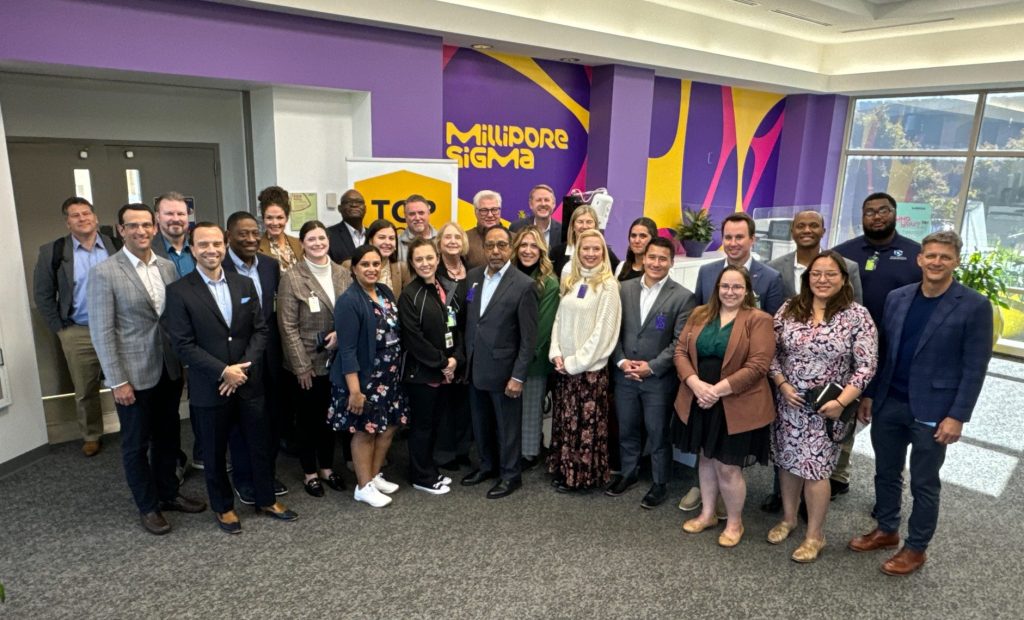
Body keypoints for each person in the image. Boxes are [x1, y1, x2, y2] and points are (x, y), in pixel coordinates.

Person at [849, 231, 992, 576]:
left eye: (944, 257)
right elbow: (884, 352)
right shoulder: (898, 298)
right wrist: (870, 393)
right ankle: (886, 529)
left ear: (956, 261)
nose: (936, 262)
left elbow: (975, 367)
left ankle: (916, 548)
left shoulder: (974, 305)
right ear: (919, 259)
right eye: (931, 256)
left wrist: (957, 416)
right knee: (885, 471)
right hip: (890, 402)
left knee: (924, 482)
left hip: (934, 409)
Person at [162, 222, 297, 534]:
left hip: (248, 382)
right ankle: (223, 507)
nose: (211, 250)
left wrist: (241, 370)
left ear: (224, 246)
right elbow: (182, 344)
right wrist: (223, 371)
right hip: (211, 387)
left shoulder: (243, 285)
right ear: (192, 249)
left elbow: (260, 330)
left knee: (259, 444)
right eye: (203, 245)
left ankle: (265, 499)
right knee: (213, 450)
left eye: (216, 244)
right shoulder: (179, 292)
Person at [88, 203, 206, 535]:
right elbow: (102, 332)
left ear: (155, 228)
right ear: (120, 229)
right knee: (136, 443)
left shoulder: (168, 267)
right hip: (132, 375)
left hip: (167, 370)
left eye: (146, 225)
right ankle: (148, 505)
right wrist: (117, 380)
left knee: (168, 438)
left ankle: (168, 493)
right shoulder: (105, 272)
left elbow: (172, 321)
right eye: (132, 226)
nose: (141, 231)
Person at [768, 251, 877, 562]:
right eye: (816, 274)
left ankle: (815, 534)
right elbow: (770, 351)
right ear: (807, 278)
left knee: (816, 470)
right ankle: (788, 519)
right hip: (788, 402)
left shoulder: (856, 316)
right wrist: (781, 383)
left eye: (830, 274)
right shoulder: (790, 309)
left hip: (828, 409)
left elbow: (866, 365)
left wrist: (842, 402)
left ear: (843, 279)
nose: (823, 279)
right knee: (788, 463)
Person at [761, 209, 862, 512]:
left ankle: (812, 510)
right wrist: (779, 380)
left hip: (831, 392)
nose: (806, 230)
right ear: (792, 231)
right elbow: (772, 335)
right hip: (789, 387)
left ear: (823, 230)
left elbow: (860, 345)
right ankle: (783, 500)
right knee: (785, 446)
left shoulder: (850, 273)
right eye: (800, 226)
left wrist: (846, 398)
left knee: (821, 460)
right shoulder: (774, 269)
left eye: (813, 225)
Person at [682, 211, 784, 511]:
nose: (734, 243)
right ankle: (706, 498)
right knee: (705, 450)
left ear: (752, 239)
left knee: (730, 459)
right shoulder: (707, 272)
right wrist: (697, 383)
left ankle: (732, 504)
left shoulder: (771, 278)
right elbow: (696, 326)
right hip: (702, 386)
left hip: (740, 387)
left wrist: (727, 386)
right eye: (728, 237)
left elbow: (773, 335)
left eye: (740, 237)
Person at [673, 265, 775, 548]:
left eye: (737, 287)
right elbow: (681, 351)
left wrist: (715, 391)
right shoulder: (700, 314)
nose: (730, 292)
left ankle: (734, 522)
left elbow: (758, 366)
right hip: (699, 397)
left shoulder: (759, 320)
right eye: (725, 287)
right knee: (705, 458)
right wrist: (696, 384)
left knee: (729, 467)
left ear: (747, 291)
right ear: (717, 289)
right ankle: (707, 514)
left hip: (735, 403)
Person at [832, 192, 922, 499]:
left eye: (883, 210)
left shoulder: (916, 255)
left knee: (887, 427)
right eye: (870, 211)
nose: (877, 216)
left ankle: (888, 497)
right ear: (862, 216)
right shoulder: (842, 254)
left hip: (896, 352)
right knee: (847, 410)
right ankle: (838, 474)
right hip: (850, 350)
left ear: (895, 214)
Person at [608, 237, 695, 508]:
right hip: (625, 375)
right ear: (643, 258)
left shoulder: (683, 297)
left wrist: (652, 367)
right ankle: (628, 472)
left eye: (662, 259)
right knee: (627, 428)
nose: (656, 263)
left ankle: (660, 482)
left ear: (671, 262)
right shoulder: (621, 289)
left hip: (657, 379)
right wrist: (621, 362)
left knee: (657, 433)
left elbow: (679, 342)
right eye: (652, 257)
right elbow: (612, 331)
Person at [329, 245, 410, 508]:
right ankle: (363, 486)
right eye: (365, 264)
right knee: (365, 431)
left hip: (389, 376)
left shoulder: (385, 292)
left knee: (387, 427)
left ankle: (374, 477)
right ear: (354, 269)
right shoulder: (349, 301)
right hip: (365, 380)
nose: (372, 269)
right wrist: (355, 391)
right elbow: (348, 350)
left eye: (377, 264)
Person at [33, 196, 115, 456]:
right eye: (75, 215)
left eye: (86, 213)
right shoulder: (53, 251)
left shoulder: (117, 245)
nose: (82, 218)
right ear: (67, 222)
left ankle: (136, 427)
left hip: (118, 327)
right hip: (78, 330)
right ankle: (91, 435)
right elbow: (43, 294)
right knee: (85, 388)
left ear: (96, 217)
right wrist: (61, 329)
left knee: (127, 379)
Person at [461, 226, 538, 499]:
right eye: (491, 245)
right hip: (475, 367)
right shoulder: (472, 279)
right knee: (480, 423)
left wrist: (518, 376)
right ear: (483, 249)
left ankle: (510, 475)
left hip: (505, 371)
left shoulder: (524, 285)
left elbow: (529, 339)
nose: (495, 251)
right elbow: (470, 321)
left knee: (507, 427)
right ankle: (487, 466)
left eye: (502, 245)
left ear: (510, 248)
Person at [276, 220, 351, 498]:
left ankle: (327, 468)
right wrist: (301, 365)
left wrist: (341, 334)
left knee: (330, 418)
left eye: (322, 238)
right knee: (308, 420)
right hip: (307, 362)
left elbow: (352, 311)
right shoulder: (293, 277)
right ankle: (310, 472)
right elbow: (287, 326)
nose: (318, 243)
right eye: (311, 239)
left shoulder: (343, 274)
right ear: (303, 244)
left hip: (338, 361)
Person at [547, 229, 622, 492]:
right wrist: (556, 352)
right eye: (585, 249)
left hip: (589, 372)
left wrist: (575, 363)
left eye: (595, 249)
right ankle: (565, 470)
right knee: (567, 423)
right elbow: (559, 319)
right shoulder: (572, 280)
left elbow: (604, 333)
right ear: (577, 252)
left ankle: (581, 477)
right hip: (565, 367)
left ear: (603, 252)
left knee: (585, 428)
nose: (590, 254)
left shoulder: (609, 286)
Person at [221, 211, 288, 502]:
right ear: (228, 236)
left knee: (272, 417)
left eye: (253, 233)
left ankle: (266, 473)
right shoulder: (219, 266)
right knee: (242, 421)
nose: (250, 239)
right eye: (242, 234)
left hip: (271, 353)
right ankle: (244, 478)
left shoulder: (271, 266)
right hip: (237, 355)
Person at [399, 238, 465, 495]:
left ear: (437, 259)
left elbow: (455, 326)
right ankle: (421, 476)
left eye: (429, 258)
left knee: (434, 424)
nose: (425, 263)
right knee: (422, 427)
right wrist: (442, 363)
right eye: (419, 259)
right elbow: (414, 340)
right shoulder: (409, 295)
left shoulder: (444, 287)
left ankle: (429, 469)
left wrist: (455, 360)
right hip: (422, 373)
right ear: (412, 264)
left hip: (445, 370)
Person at [511, 225, 560, 469]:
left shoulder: (548, 282)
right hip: (509, 355)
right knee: (512, 408)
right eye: (523, 245)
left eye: (533, 246)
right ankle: (513, 449)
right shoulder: (509, 274)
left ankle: (528, 454)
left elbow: (542, 327)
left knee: (531, 408)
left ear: (541, 250)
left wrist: (524, 356)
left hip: (533, 357)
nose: (528, 250)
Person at [435, 222, 474, 470]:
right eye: (447, 237)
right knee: (444, 402)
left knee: (464, 402)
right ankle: (444, 453)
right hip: (444, 343)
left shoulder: (472, 272)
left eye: (456, 237)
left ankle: (462, 450)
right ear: (439, 242)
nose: (452, 241)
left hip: (469, 340)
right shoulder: (434, 271)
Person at [342, 219, 411, 299]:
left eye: (391, 238)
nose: (387, 242)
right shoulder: (349, 265)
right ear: (370, 241)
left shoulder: (403, 269)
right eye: (382, 237)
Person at [549, 205, 621, 278]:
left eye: (589, 222)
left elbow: (620, 275)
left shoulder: (605, 252)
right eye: (580, 222)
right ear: (573, 226)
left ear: (595, 226)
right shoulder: (557, 252)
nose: (584, 226)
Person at [256, 185, 303, 272]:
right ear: (263, 219)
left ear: (287, 218)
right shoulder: (257, 248)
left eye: (279, 217)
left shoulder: (298, 244)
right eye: (269, 218)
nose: (275, 223)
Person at [151, 191, 196, 277]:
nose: (176, 219)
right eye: (169, 213)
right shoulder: (148, 250)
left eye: (181, 214)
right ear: (157, 217)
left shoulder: (200, 246)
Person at [510, 184, 563, 248]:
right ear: (531, 204)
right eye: (538, 200)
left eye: (546, 200)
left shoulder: (563, 231)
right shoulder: (516, 227)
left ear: (554, 204)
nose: (543, 204)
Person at [327, 189, 367, 264]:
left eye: (359, 202)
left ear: (365, 209)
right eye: (348, 202)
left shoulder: (373, 234)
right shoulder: (328, 235)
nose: (354, 205)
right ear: (339, 208)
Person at [465, 189, 504, 269]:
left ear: (500, 211)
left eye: (494, 210)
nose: (490, 215)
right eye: (484, 210)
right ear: (476, 212)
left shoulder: (514, 239)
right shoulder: (465, 239)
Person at [615, 217, 658, 282]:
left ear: (653, 239)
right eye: (633, 236)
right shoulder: (621, 267)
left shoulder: (660, 269)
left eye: (643, 236)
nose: (637, 241)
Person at [396, 194, 437, 262]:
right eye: (412, 214)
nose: (417, 218)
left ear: (428, 213)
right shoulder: (396, 244)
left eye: (421, 213)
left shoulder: (441, 240)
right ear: (405, 217)